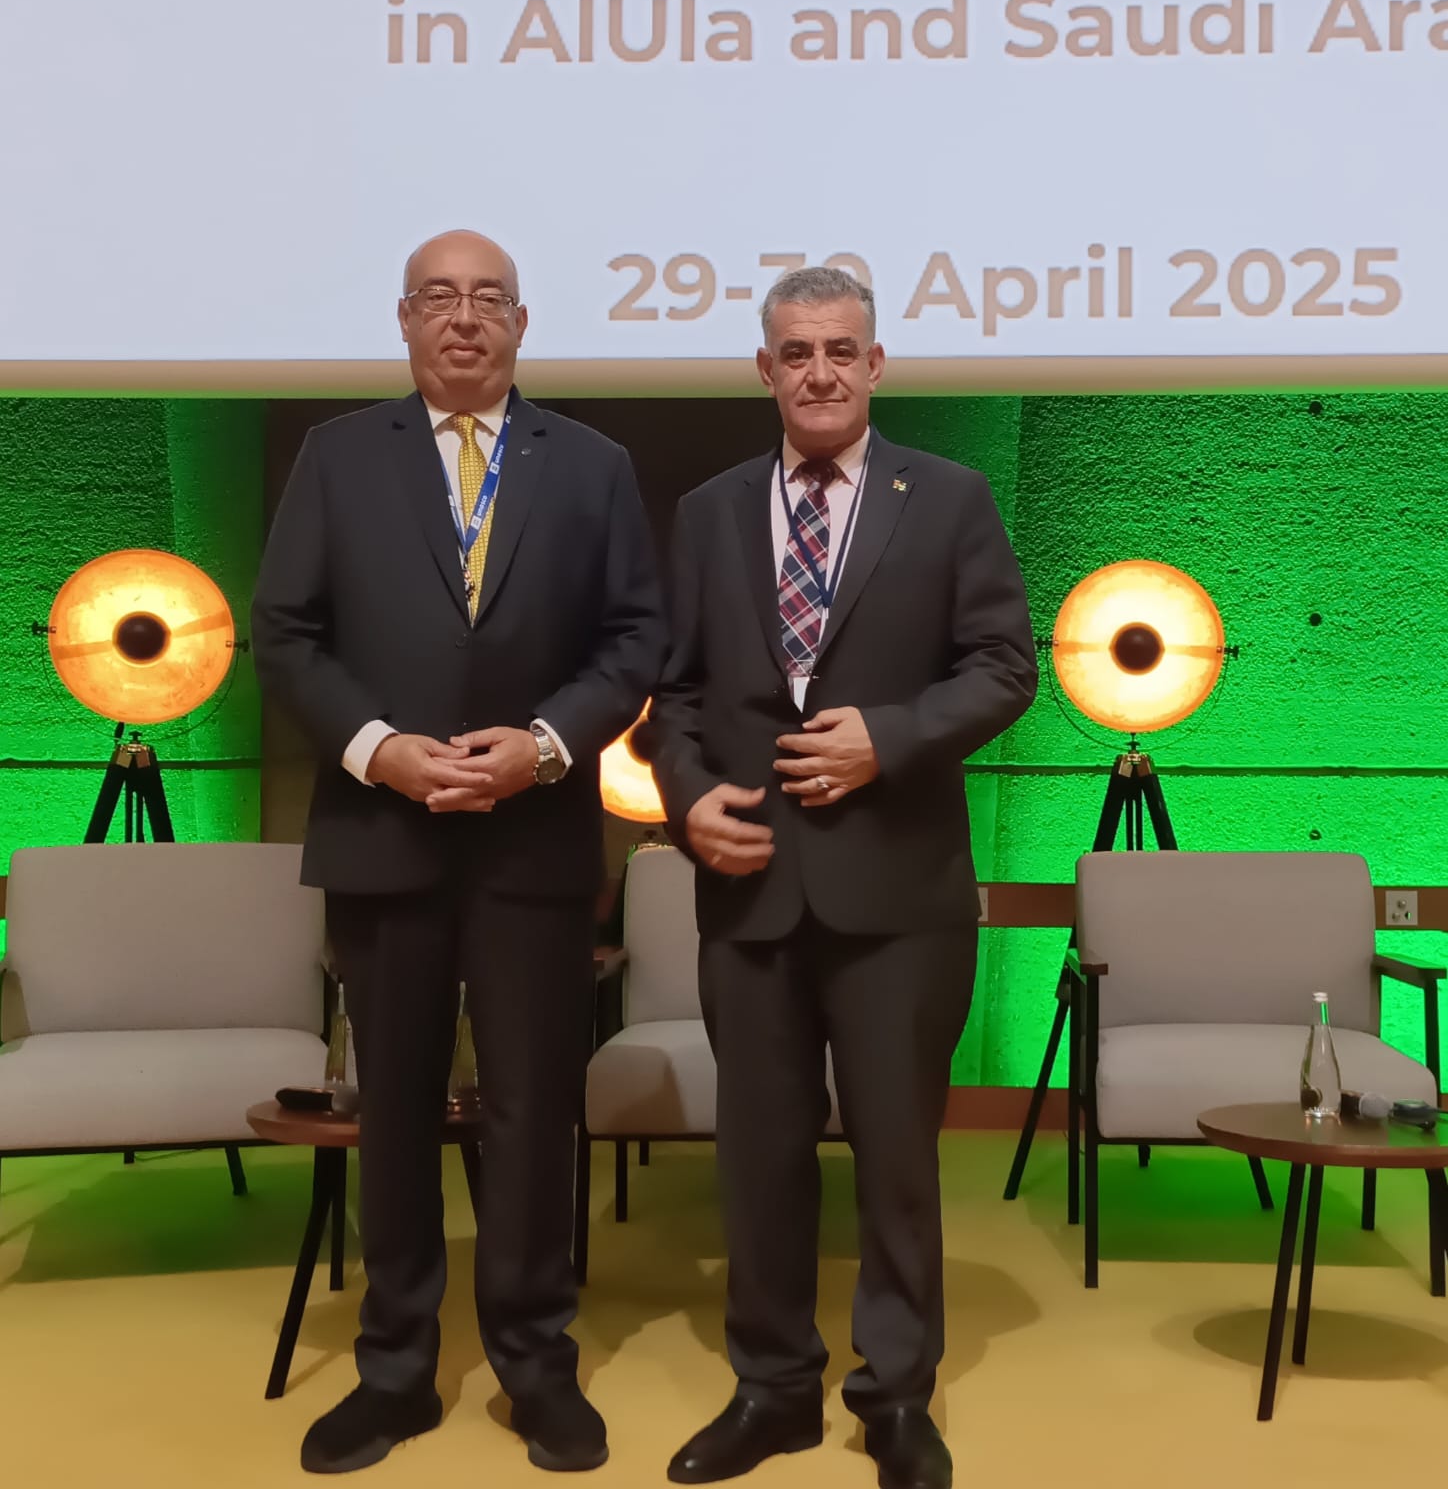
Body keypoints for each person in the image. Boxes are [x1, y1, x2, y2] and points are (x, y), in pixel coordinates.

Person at [252, 230, 664, 1476]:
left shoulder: (591, 464)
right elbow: (286, 633)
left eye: (489, 298)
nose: (464, 317)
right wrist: (378, 749)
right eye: (439, 297)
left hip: (533, 838)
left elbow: (634, 638)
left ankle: (537, 1364)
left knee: (535, 1109)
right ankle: (394, 1370)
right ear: (404, 320)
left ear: (521, 323)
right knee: (392, 1109)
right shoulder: (336, 456)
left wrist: (542, 747)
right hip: (383, 832)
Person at [646, 267, 1037, 1489]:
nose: (817, 370)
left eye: (839, 350)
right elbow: (676, 695)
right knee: (757, 1158)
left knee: (896, 1157)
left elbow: (1003, 667)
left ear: (874, 365)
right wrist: (684, 798)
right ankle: (771, 1390)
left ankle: (895, 1396)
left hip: (900, 894)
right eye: (795, 351)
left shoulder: (951, 497)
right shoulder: (707, 510)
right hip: (749, 884)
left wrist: (890, 736)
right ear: (763, 369)